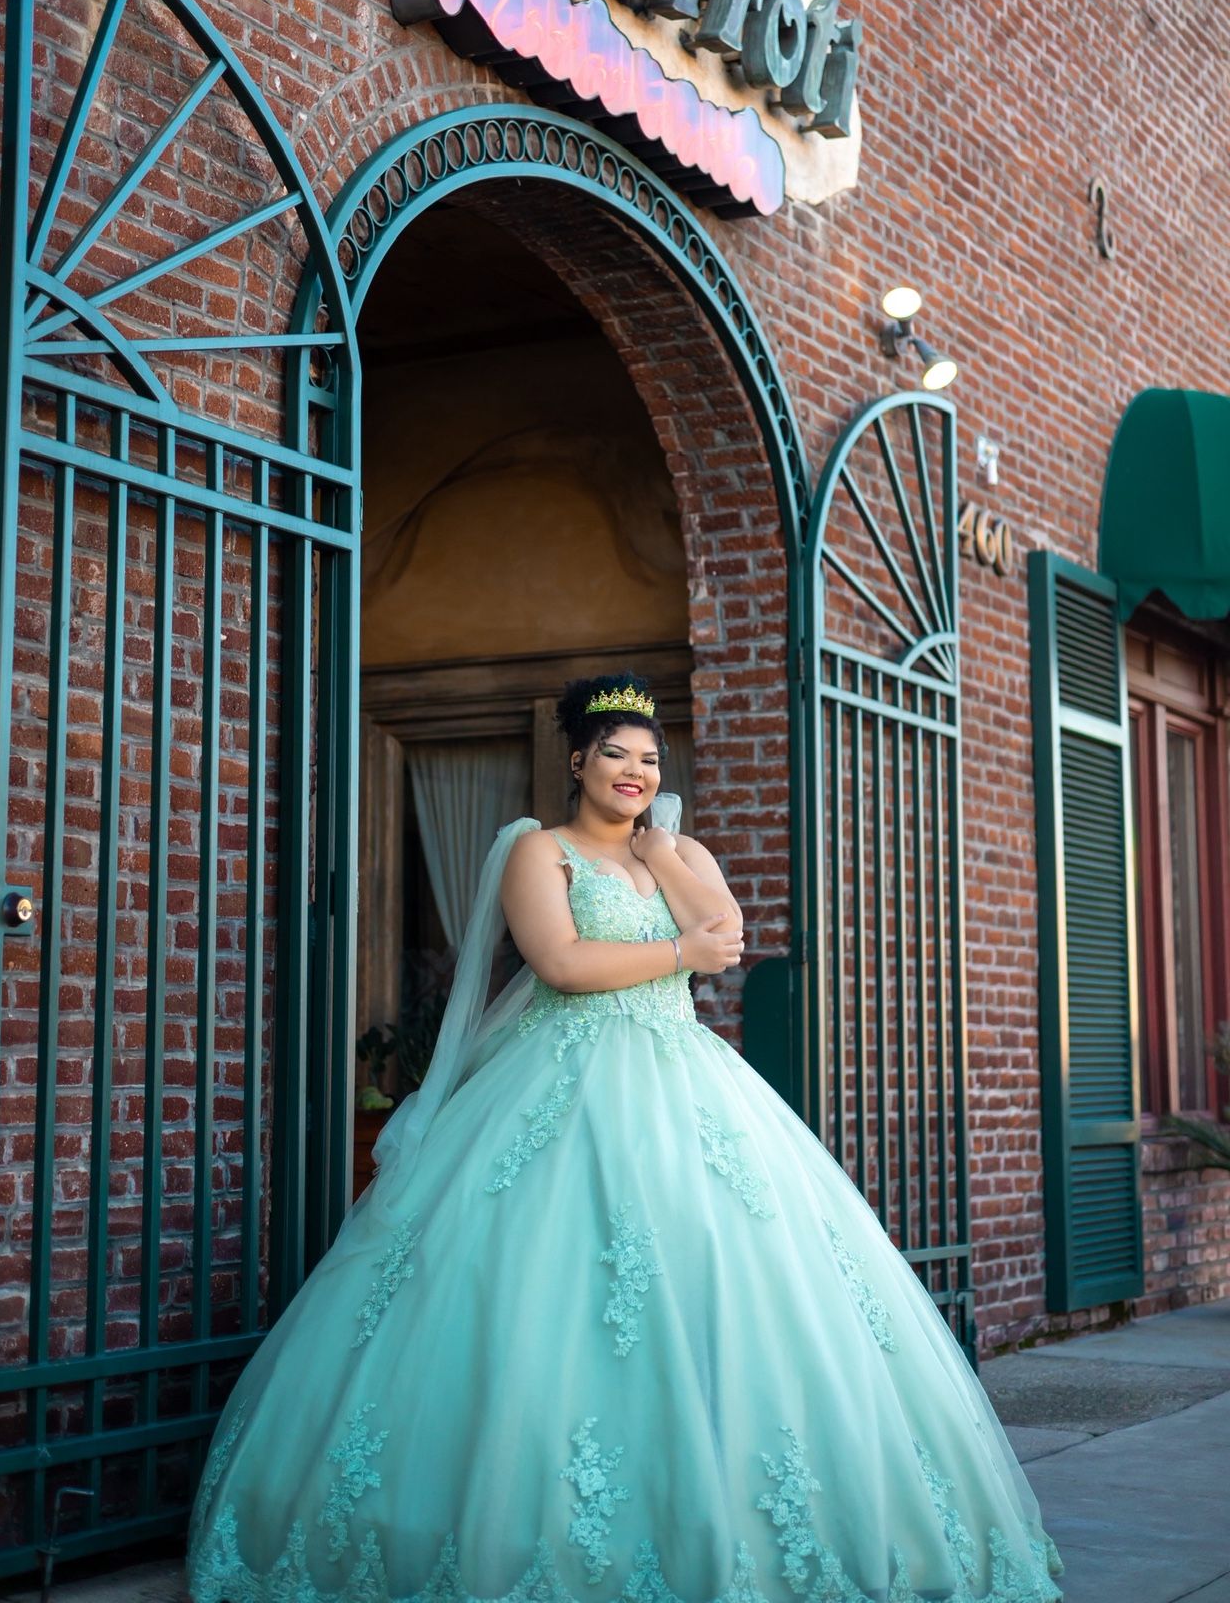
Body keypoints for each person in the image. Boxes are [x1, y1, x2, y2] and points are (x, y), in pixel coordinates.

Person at [187, 670, 1066, 1603]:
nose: (635, 772)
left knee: (734, 1284)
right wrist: (682, 950)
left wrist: (670, 862)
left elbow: (724, 935)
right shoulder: (540, 850)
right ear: (578, 759)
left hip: (685, 1082)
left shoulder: (674, 851)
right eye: (616, 754)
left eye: (649, 759)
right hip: (559, 1082)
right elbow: (563, 963)